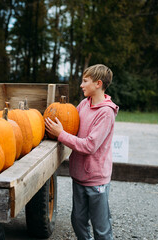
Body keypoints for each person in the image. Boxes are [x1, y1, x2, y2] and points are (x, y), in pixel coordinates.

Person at [45, 64, 119, 240]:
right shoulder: (84, 104)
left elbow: (89, 146)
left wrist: (60, 134)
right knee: (78, 220)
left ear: (98, 83)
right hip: (79, 176)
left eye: (85, 81)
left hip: (96, 180)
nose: (81, 85)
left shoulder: (106, 113)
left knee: (101, 227)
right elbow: (71, 127)